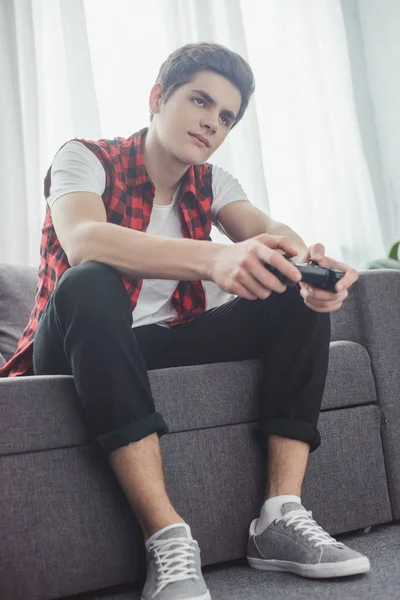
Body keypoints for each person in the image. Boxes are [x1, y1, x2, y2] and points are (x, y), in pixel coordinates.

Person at [1, 42, 370, 600]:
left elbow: (267, 231)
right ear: (157, 97)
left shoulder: (214, 182)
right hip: (74, 341)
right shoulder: (84, 157)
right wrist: (213, 258)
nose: (211, 124)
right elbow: (83, 241)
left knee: (293, 294)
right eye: (200, 101)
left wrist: (311, 268)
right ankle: (166, 536)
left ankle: (279, 517)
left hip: (160, 344)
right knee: (92, 278)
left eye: (226, 117)